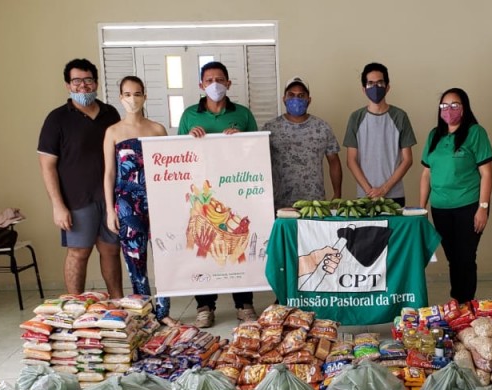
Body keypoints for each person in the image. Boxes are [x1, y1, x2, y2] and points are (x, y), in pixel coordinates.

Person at [177, 61, 259, 327]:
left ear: (229, 84)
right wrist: (190, 137)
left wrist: (241, 139)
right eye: (209, 79)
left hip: (236, 189)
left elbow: (256, 150)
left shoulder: (243, 114)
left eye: (220, 79)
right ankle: (204, 306)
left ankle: (244, 305)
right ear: (201, 85)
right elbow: (179, 153)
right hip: (202, 192)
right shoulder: (189, 115)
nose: (215, 84)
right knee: (204, 244)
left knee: (237, 244)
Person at [37, 58, 123, 298]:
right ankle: (75, 308)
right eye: (76, 81)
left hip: (109, 198)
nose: (83, 86)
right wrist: (58, 205)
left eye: (88, 80)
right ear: (68, 85)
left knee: (111, 250)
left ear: (96, 83)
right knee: (78, 252)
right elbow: (47, 166)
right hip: (76, 201)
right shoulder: (57, 119)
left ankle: (117, 304)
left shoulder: (111, 113)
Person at [102, 76, 177, 326]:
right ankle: (144, 312)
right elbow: (109, 173)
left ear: (145, 96)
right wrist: (111, 211)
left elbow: (170, 169)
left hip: (158, 201)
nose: (132, 99)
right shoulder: (112, 132)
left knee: (165, 257)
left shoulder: (157, 130)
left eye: (136, 93)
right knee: (135, 259)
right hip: (126, 203)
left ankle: (163, 311)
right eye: (126, 94)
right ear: (120, 97)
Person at [419, 88, 492, 303]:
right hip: (441, 209)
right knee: (453, 257)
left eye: (454, 105)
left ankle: (465, 301)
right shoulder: (434, 135)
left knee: (466, 257)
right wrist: (421, 208)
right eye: (444, 106)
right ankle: (457, 299)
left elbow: (486, 173)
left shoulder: (475, 133)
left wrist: (483, 207)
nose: (448, 110)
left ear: (464, 107)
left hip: (468, 206)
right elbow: (426, 174)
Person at [342, 62, 416, 208]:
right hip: (365, 196)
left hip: (394, 195)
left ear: (387, 87)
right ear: (364, 89)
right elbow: (351, 160)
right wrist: (370, 191)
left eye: (380, 83)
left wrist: (384, 189)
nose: (375, 87)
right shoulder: (355, 118)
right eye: (370, 83)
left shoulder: (400, 116)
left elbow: (407, 160)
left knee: (395, 231)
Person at [262, 77, 343, 210]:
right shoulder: (270, 128)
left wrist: (337, 194)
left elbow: (334, 162)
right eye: (291, 95)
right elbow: (258, 161)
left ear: (309, 99)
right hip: (280, 204)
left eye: (301, 95)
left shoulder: (322, 127)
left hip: (315, 204)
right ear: (284, 98)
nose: (296, 99)